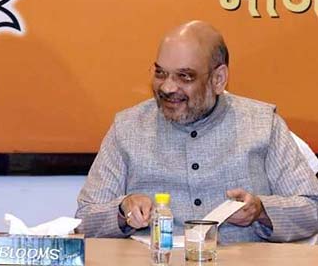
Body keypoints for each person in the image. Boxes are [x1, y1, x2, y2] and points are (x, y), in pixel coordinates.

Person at [75, 20, 318, 243]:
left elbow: (312, 207)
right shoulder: (127, 128)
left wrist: (261, 211)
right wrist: (122, 211)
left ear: (218, 79)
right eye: (160, 73)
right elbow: (84, 218)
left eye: (185, 76)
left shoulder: (263, 124)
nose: (168, 87)